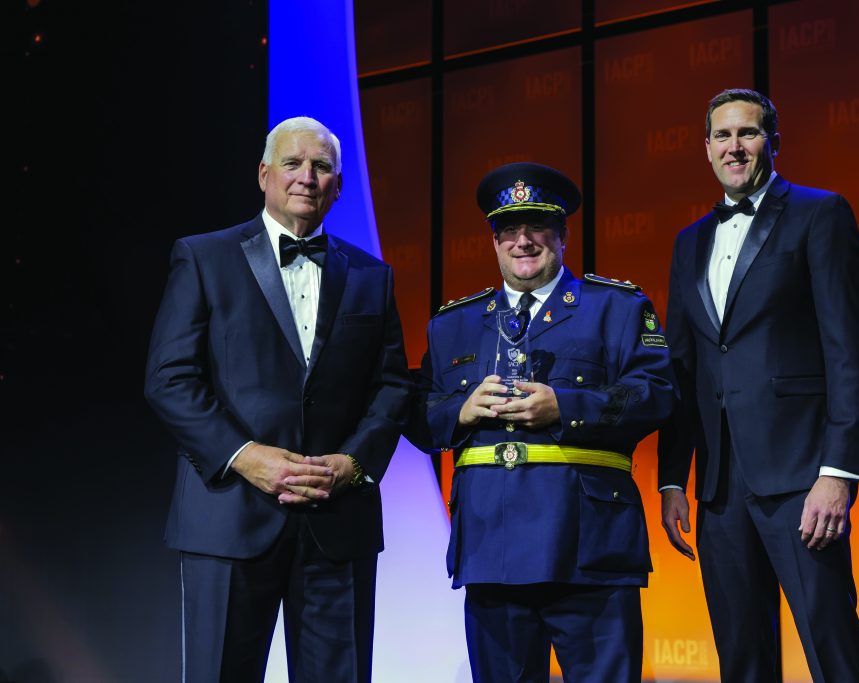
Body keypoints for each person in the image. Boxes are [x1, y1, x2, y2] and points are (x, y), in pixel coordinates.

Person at [144, 116, 410, 682]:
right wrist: (246, 456)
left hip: (337, 522)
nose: (306, 177)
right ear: (264, 175)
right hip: (228, 516)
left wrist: (353, 463)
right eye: (292, 163)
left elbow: (391, 386)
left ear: (338, 186)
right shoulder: (203, 257)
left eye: (321, 167)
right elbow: (169, 378)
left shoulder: (373, 277)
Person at [412, 162, 674, 682]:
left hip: (589, 546)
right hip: (490, 547)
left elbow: (658, 395)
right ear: (494, 240)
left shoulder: (616, 307)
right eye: (509, 229)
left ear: (563, 234)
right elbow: (413, 413)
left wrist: (566, 407)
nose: (523, 241)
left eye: (537, 226)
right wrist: (459, 411)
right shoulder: (453, 324)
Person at [658, 89, 859, 682]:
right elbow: (682, 365)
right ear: (706, 149)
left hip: (802, 479)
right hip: (719, 487)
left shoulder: (820, 214)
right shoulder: (688, 242)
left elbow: (849, 351)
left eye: (747, 133)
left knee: (831, 646)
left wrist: (838, 473)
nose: (734, 147)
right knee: (742, 659)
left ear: (772, 142)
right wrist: (674, 477)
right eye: (722, 136)